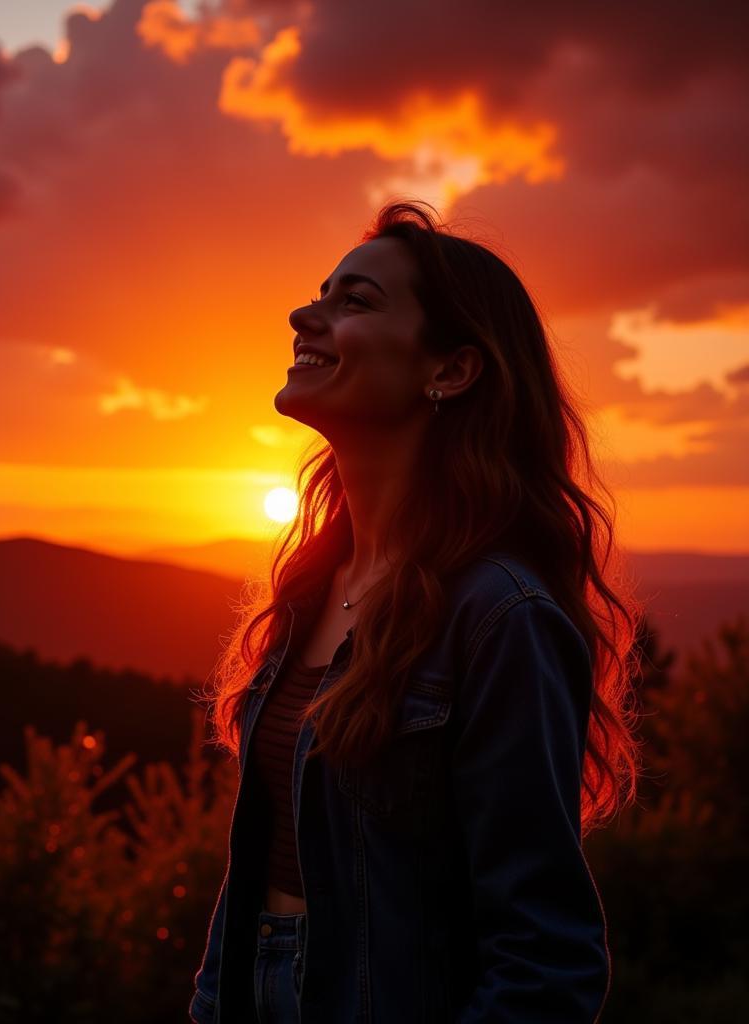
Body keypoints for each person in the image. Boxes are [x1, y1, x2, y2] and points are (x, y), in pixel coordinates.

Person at [189, 199, 643, 1023]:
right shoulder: (307, 591)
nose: (304, 315)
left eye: (354, 302)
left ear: (453, 370)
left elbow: (545, 958)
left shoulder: (501, 616)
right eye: (320, 293)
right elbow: (255, 880)